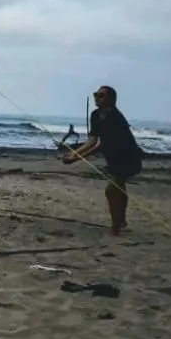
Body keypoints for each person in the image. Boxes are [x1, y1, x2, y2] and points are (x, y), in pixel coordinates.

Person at [62, 85, 144, 235]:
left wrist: (75, 159)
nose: (96, 98)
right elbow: (92, 141)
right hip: (113, 158)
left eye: (101, 95)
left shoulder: (116, 118)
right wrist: (73, 154)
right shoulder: (94, 115)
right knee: (120, 187)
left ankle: (115, 229)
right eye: (95, 95)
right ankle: (122, 220)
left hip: (128, 157)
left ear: (111, 99)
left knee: (111, 190)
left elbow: (101, 145)